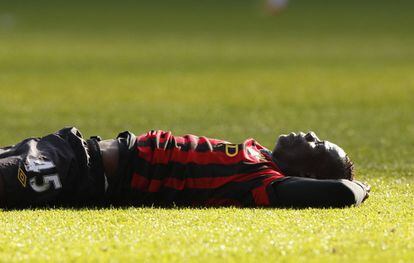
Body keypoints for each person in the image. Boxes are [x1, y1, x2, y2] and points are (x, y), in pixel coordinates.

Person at [0, 127, 370, 209]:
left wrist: (360, 186)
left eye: (317, 144)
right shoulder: (257, 156)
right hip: (71, 147)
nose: (308, 133)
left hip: (78, 172)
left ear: (309, 176)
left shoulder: (261, 181)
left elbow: (340, 192)